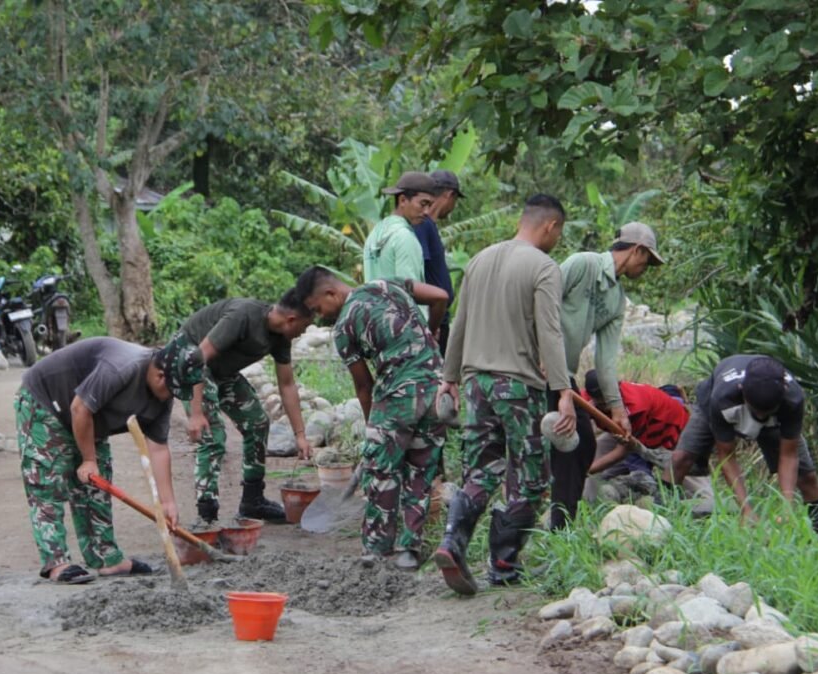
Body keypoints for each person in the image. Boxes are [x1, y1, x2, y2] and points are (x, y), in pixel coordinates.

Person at [433, 194, 577, 594]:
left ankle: (453, 541)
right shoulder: (544, 267)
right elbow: (550, 330)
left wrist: (449, 376)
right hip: (517, 385)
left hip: (477, 383)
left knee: (481, 467)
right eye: (558, 233)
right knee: (530, 476)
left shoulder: (480, 259)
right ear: (550, 226)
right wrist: (563, 390)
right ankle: (503, 562)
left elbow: (458, 321)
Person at [294, 266, 448, 570]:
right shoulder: (388, 284)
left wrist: (372, 430)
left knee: (381, 470)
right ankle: (409, 550)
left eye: (317, 308)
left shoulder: (344, 328)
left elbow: (364, 386)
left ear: (331, 293)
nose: (319, 315)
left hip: (398, 394)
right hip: (437, 390)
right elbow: (441, 296)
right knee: (420, 469)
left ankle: (376, 549)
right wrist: (431, 330)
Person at [15, 336, 200, 584]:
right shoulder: (121, 367)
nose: (171, 397)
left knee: (97, 484)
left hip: (90, 419)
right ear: (159, 375)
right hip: (47, 400)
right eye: (172, 390)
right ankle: (57, 561)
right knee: (48, 481)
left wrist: (167, 502)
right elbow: (80, 408)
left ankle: (106, 557)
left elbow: (158, 447)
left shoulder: (163, 398)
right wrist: (88, 458)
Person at [160, 289, 313, 525]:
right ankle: (207, 515)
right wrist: (197, 413)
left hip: (221, 371)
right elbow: (197, 359)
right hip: (191, 364)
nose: (303, 333)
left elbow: (287, 384)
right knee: (212, 435)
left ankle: (253, 501)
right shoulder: (243, 315)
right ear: (291, 320)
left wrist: (300, 435)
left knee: (258, 422)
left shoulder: (282, 337)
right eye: (303, 328)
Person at [549, 221, 665, 529]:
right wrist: (539, 352)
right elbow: (542, 303)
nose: (647, 267)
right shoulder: (582, 264)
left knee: (584, 443)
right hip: (535, 364)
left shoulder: (617, 299)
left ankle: (560, 526)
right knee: (538, 441)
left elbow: (606, 360)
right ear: (637, 250)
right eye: (647, 260)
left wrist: (617, 410)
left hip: (564, 375)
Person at [670, 355, 818, 542]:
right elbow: (727, 457)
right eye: (756, 411)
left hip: (774, 422)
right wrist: (746, 509)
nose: (760, 416)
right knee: (680, 459)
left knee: (808, 477)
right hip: (719, 406)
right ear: (742, 391)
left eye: (766, 412)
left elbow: (789, 455)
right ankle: (661, 521)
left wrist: (787, 506)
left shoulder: (792, 398)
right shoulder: (722, 397)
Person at [582, 370, 693, 503]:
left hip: (674, 433)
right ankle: (588, 499)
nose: (606, 406)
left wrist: (583, 471)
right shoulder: (583, 398)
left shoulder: (636, 405)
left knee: (698, 494)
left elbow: (622, 451)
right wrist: (586, 411)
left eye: (608, 401)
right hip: (632, 434)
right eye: (601, 403)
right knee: (599, 447)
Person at [414, 169, 462, 355]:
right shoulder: (423, 225)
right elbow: (420, 272)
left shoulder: (427, 226)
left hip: (437, 317)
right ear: (449, 195)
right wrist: (431, 323)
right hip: (433, 319)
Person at [363, 171, 439, 284]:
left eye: (429, 205)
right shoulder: (405, 237)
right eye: (423, 204)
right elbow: (410, 292)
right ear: (402, 200)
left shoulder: (376, 233)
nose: (427, 212)